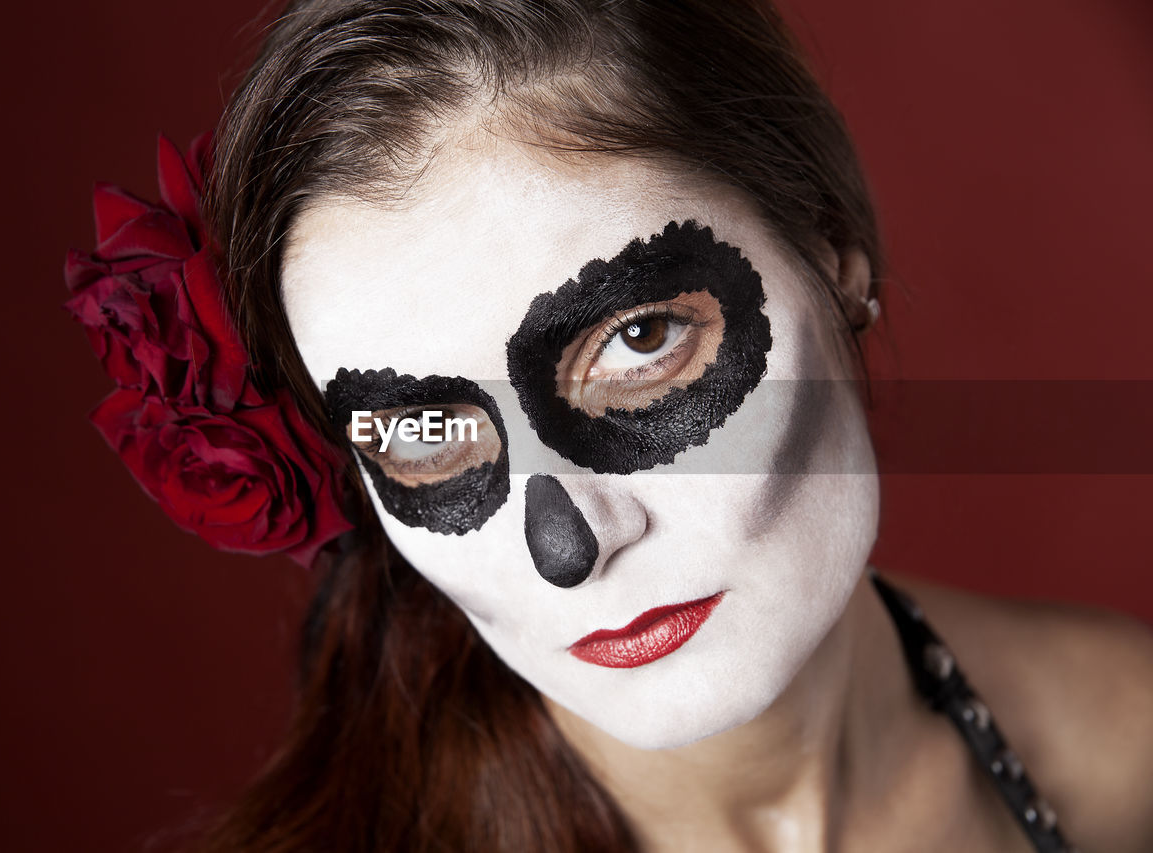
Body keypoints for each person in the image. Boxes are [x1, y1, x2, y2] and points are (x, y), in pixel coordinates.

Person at [71, 1, 1153, 850]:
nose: (566, 544)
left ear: (830, 254)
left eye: (636, 343)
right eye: (422, 431)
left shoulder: (1123, 740)